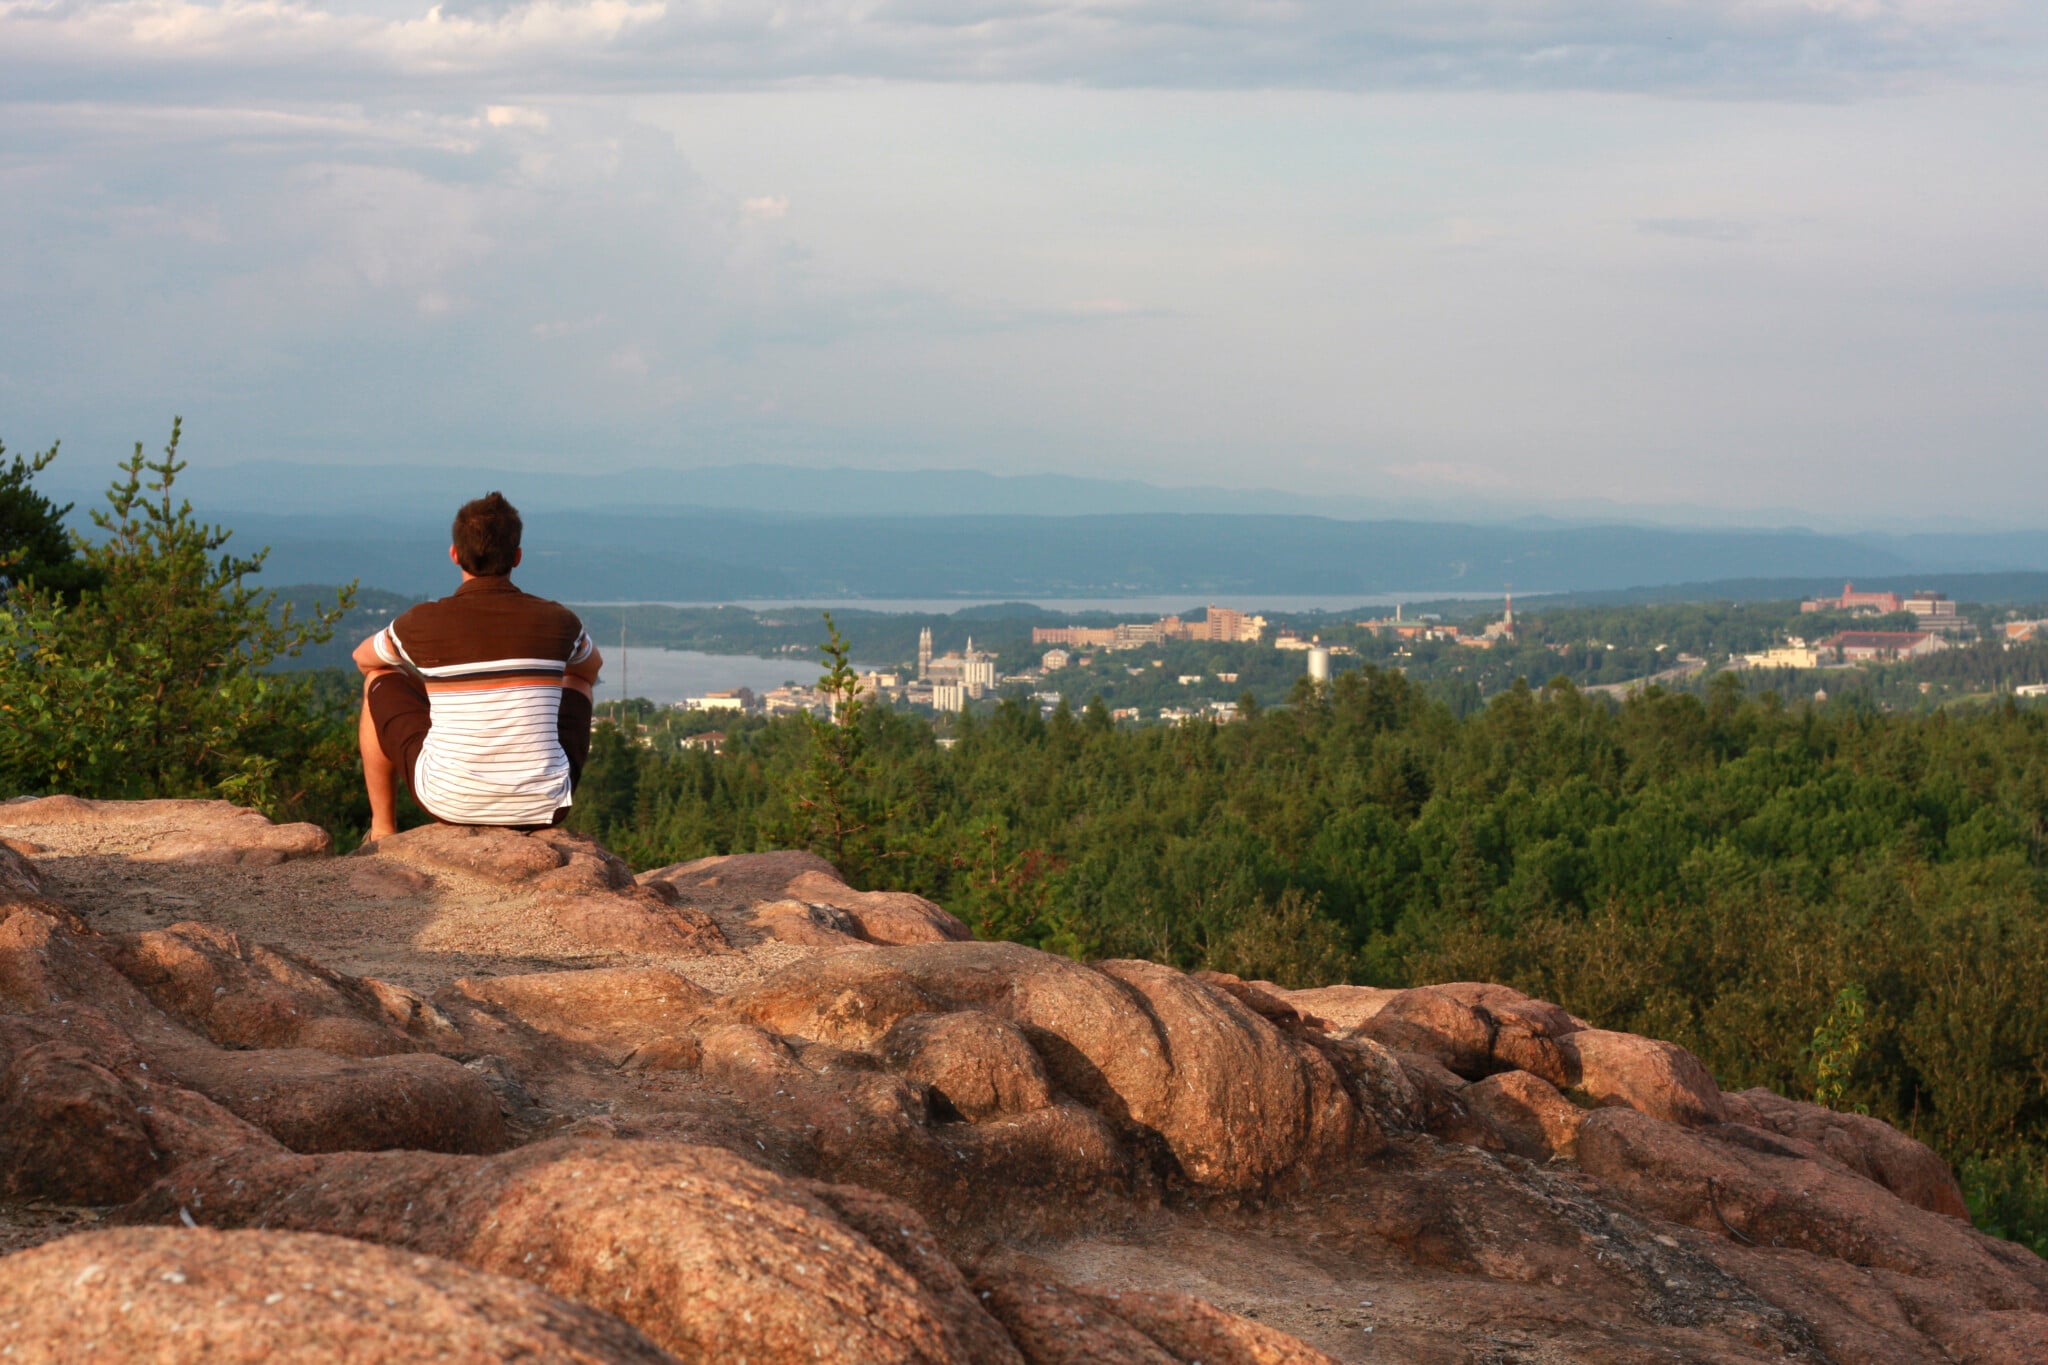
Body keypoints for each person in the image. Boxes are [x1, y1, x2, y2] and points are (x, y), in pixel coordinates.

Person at [352, 492, 601, 841]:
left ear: (455, 555)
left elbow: (363, 659)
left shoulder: (421, 622)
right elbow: (591, 668)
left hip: (447, 802)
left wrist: (429, 675)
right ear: (517, 557)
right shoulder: (559, 620)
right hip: (545, 806)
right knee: (578, 681)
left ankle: (381, 829)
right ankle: (530, 781)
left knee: (378, 678)